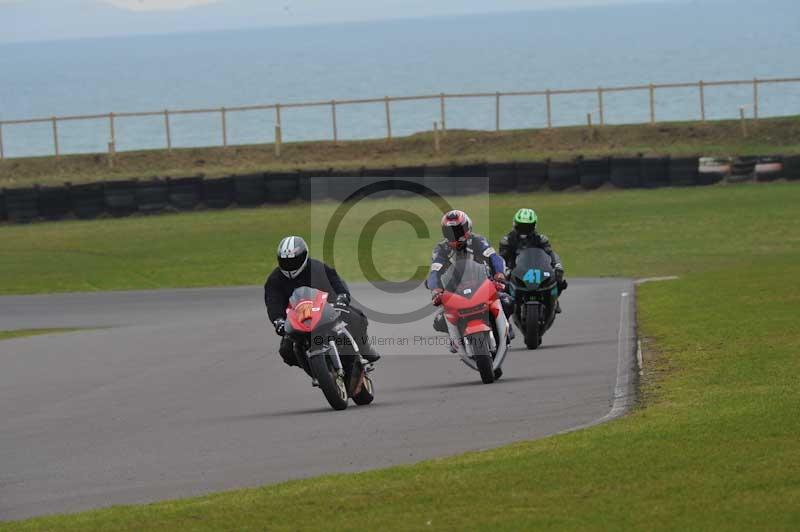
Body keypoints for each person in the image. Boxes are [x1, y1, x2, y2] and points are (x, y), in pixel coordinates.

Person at [265, 236, 381, 372]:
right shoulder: (275, 280)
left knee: (357, 317)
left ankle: (364, 348)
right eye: (285, 261)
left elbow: (336, 282)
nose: (290, 265)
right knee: (286, 351)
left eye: (294, 260)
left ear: (304, 257)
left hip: (327, 309)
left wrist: (342, 298)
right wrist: (278, 321)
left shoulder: (318, 267)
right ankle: (316, 372)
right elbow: (273, 303)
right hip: (298, 318)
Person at [427, 210, 514, 350]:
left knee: (507, 300)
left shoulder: (478, 240)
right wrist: (435, 288)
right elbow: (434, 271)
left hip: (482, 283)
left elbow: (494, 257)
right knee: (439, 320)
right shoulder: (441, 248)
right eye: (450, 232)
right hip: (455, 290)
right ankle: (454, 336)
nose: (455, 235)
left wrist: (499, 274)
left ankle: (504, 326)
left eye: (458, 230)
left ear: (468, 228)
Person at [499, 208, 567, 312]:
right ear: (515, 224)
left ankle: (554, 301)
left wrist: (557, 265)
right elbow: (501, 259)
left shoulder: (541, 239)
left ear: (534, 226)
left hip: (537, 270)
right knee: (500, 285)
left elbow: (550, 254)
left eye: (527, 226)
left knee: (558, 276)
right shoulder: (507, 240)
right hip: (514, 271)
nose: (524, 230)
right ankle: (505, 309)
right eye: (521, 226)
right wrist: (505, 270)